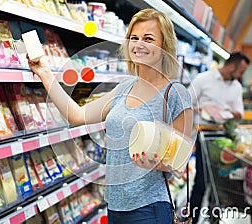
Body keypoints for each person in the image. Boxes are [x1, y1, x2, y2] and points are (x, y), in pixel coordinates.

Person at [28, 8, 194, 224]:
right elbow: (77, 115)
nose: (139, 44)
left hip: (149, 208)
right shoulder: (124, 87)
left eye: (148, 38)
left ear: (164, 46)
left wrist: (155, 162)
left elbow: (179, 160)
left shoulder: (175, 93)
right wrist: (45, 74)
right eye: (134, 38)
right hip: (115, 206)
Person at [188, 52, 250, 223]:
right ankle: (192, 219)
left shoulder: (236, 86)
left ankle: (213, 219)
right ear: (232, 66)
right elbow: (186, 101)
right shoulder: (203, 79)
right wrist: (200, 109)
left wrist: (230, 113)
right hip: (203, 134)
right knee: (202, 181)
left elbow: (240, 114)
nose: (242, 76)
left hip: (223, 137)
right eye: (241, 71)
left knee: (219, 183)